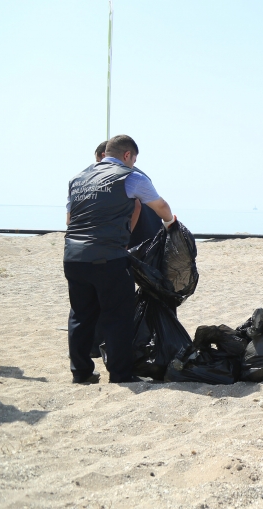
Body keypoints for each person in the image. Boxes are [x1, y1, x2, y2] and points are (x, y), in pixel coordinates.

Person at [64, 135, 177, 384]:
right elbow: (159, 206)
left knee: (80, 315)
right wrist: (171, 223)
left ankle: (81, 373)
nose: (134, 163)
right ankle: (120, 375)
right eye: (134, 159)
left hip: (73, 257)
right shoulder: (130, 177)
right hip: (108, 258)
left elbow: (70, 221)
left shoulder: (77, 178)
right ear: (127, 155)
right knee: (117, 315)